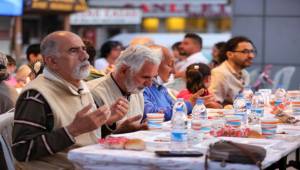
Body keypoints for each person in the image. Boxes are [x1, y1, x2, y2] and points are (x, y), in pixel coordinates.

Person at [12, 31, 129, 169]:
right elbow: (22, 150)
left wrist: (107, 121)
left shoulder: (79, 85)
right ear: (52, 61)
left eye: (84, 49)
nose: (85, 56)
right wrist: (73, 130)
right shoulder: (35, 95)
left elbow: (86, 138)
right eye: (73, 51)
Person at [88, 45, 161, 133]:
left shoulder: (137, 91)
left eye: (153, 78)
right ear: (124, 70)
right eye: (145, 77)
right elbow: (88, 139)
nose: (149, 84)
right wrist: (116, 131)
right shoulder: (93, 92)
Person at [209, 36, 256, 105]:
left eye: (252, 51)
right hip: (226, 115)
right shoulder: (220, 73)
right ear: (230, 54)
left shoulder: (244, 73)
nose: (251, 56)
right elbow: (213, 103)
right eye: (245, 52)